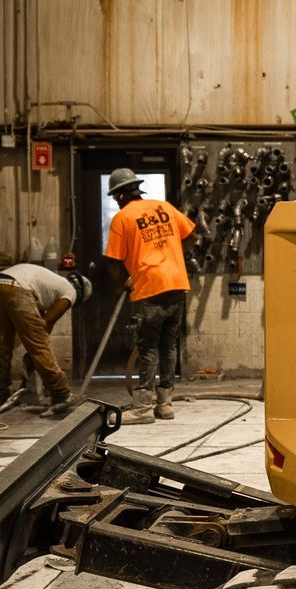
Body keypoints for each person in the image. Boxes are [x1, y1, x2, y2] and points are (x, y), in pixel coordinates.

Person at [103, 167, 196, 421]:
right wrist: (173, 257)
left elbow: (113, 260)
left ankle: (143, 407)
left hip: (149, 287)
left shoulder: (123, 217)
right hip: (176, 283)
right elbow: (191, 235)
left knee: (147, 346)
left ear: (120, 196)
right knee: (169, 346)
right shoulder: (164, 207)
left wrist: (120, 284)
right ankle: (164, 404)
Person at [0, 262, 83, 415]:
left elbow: (41, 322)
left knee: (3, 342)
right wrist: (35, 354)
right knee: (39, 345)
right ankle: (61, 393)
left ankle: (0, 391)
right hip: (17, 288)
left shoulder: (51, 284)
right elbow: (47, 322)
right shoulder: (71, 291)